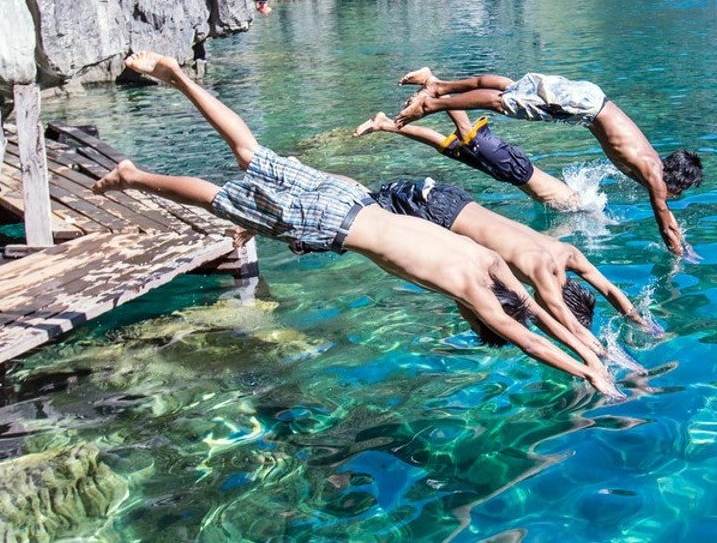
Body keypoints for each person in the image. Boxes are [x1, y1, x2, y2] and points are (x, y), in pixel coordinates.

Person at [90, 52, 620, 396]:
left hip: (352, 196)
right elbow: (526, 334)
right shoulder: (471, 289)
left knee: (249, 152)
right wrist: (589, 373)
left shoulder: (490, 262)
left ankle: (178, 76)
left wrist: (589, 347)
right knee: (224, 200)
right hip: (332, 226)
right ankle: (137, 177)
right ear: (480, 316)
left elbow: (537, 313)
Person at [393, 69, 703, 257]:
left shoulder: (651, 159)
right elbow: (666, 225)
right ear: (678, 180)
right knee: (502, 102)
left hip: (591, 98)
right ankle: (431, 104)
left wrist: (682, 240)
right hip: (583, 107)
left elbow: (669, 219)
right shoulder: (655, 176)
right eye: (682, 190)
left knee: (512, 88)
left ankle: (437, 84)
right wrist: (679, 255)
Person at [367, 177, 652, 354]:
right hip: (435, 213)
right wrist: (601, 355)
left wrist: (638, 319)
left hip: (455, 200)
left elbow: (610, 289)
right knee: (362, 217)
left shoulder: (568, 254)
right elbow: (558, 323)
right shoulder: (541, 276)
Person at [353, 110, 584, 211]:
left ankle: (384, 124)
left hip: (508, 173)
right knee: (466, 131)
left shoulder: (573, 200)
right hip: (516, 168)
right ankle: (435, 87)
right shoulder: (576, 207)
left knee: (445, 146)